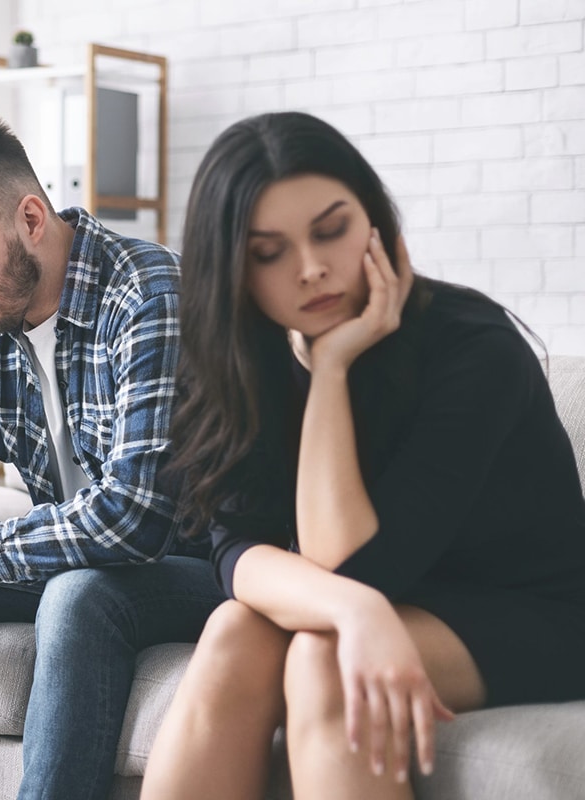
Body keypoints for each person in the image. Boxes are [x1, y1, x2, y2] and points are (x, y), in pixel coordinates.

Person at [142, 111, 585, 800]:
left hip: (535, 613)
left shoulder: (474, 349)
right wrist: (357, 610)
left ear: (373, 222)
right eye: (270, 252)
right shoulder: (240, 358)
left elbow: (349, 566)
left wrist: (332, 371)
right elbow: (233, 548)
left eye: (331, 230)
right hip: (391, 599)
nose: (312, 268)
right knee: (234, 632)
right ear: (234, 269)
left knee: (326, 662)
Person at [0, 113, 224, 800]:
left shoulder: (147, 296)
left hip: (195, 564)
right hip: (76, 562)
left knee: (81, 594)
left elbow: (134, 516)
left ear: (30, 219)